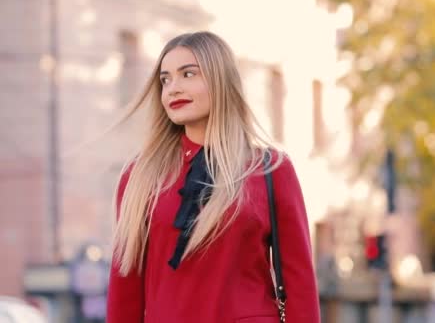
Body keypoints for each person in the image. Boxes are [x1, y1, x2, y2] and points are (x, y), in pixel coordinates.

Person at [106, 31, 320, 323]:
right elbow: (124, 291)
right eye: (165, 79)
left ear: (221, 80)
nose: (173, 88)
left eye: (188, 74)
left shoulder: (271, 169)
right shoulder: (139, 176)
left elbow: (300, 286)